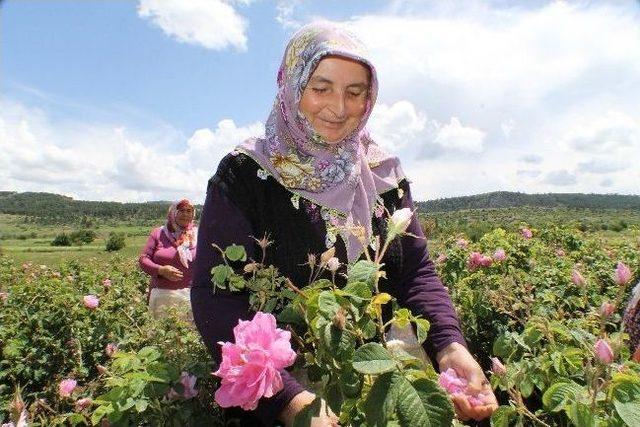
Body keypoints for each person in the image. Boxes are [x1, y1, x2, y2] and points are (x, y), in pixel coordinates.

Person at [191, 21, 498, 425]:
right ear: (291, 85)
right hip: (285, 392)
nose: (339, 107)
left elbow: (415, 272)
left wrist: (448, 345)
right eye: (321, 88)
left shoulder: (382, 173)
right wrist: (289, 400)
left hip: (375, 380)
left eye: (355, 92)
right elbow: (216, 298)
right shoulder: (247, 176)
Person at [139, 199, 197, 319]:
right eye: (181, 210)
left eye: (189, 211)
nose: (185, 214)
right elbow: (144, 259)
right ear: (173, 212)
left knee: (188, 335)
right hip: (162, 296)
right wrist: (161, 270)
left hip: (191, 297)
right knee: (162, 335)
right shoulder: (158, 233)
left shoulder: (198, 235)